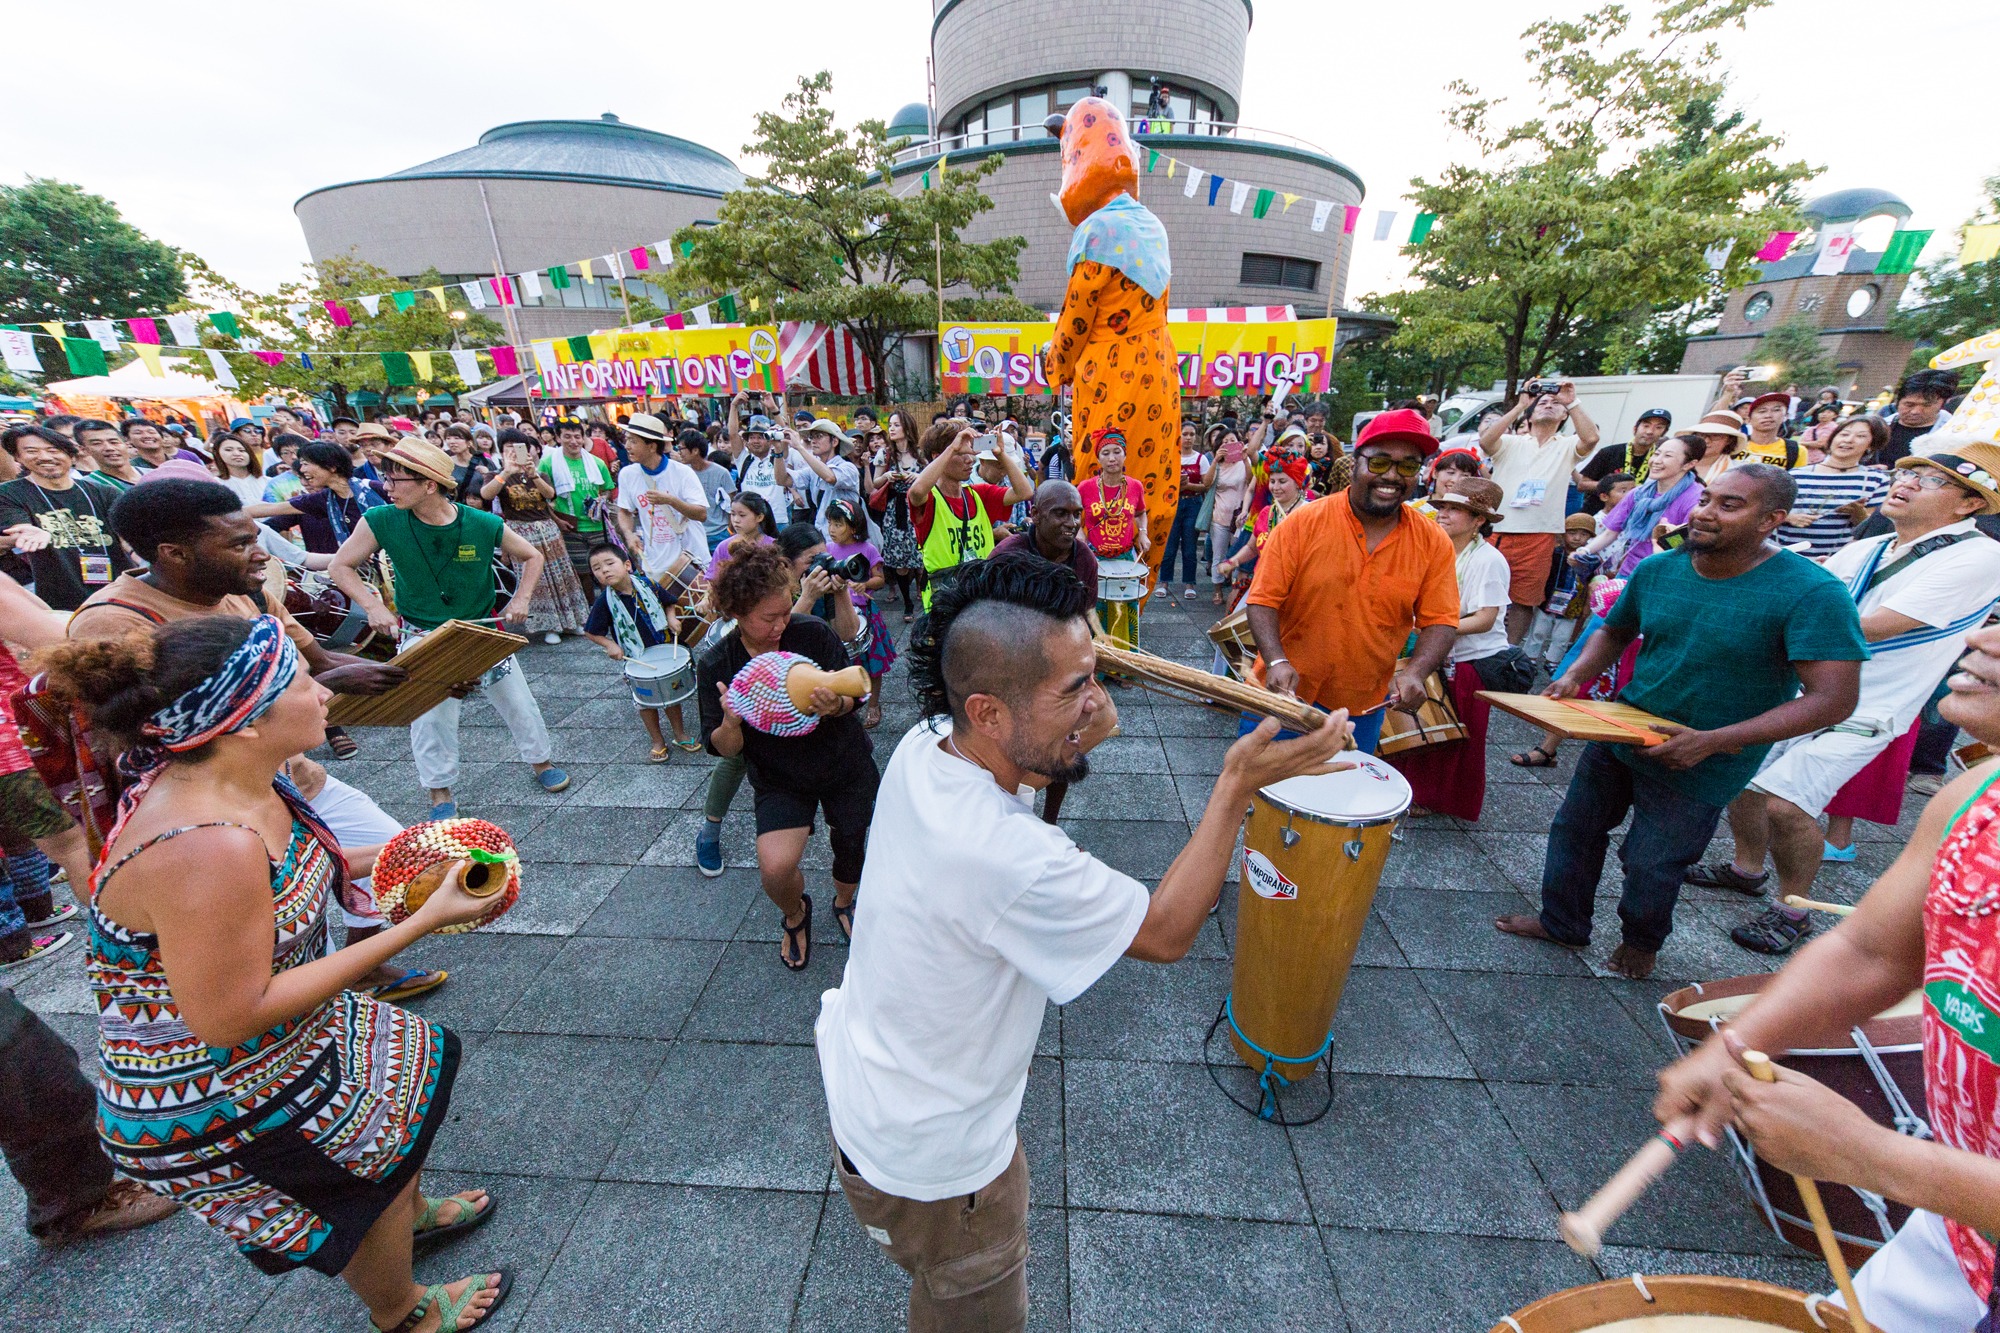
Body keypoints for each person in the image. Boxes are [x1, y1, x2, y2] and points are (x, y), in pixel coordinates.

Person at [817, 554, 1351, 1332]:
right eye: (1074, 687)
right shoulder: (1004, 856)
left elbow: (1049, 757)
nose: (1096, 700)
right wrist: (1236, 786)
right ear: (990, 711)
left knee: (936, 1285)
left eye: (1095, 672)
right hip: (942, 1169)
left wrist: (1076, 690)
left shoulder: (930, 744)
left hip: (873, 1100)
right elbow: (1167, 932)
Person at [41, 616, 510, 1332]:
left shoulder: (247, 778)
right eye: (296, 680)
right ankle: (401, 1308)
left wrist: (419, 852)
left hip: (285, 1034)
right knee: (358, 1179)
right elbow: (230, 1015)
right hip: (207, 1085)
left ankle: (406, 1215)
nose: (321, 690)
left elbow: (301, 866)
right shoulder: (207, 844)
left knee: (409, 1072)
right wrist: (420, 920)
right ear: (242, 724)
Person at [1650, 621, 2000, 1330]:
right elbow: (1871, 951)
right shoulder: (1976, 797)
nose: (1988, 632)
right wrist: (1736, 1044)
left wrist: (1876, 1157)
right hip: (1957, 1232)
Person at [75, 477, 444, 1002]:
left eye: (255, 537)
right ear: (173, 553)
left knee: (398, 861)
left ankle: (353, 968)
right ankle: (306, 986)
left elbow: (316, 664)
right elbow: (147, 740)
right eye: (239, 543)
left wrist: (430, 671)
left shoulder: (245, 592)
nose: (259, 553)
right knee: (259, 936)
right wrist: (321, 688)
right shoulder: (115, 624)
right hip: (221, 798)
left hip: (288, 780)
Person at [1495, 465, 1869, 978]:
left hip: (1709, 754)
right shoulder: (1659, 569)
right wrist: (1576, 675)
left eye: (1728, 505)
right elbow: (1615, 629)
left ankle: (1642, 942)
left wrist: (1715, 741)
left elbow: (1833, 700)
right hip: (1622, 728)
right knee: (1575, 830)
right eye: (1705, 499)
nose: (1703, 512)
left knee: (1651, 861)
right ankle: (1562, 922)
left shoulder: (1812, 592)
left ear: (1772, 520)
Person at [1696, 441, 2000, 954]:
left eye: (1928, 480)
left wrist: (1750, 616)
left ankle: (1794, 908)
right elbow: (1800, 590)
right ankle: (1746, 870)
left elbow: (1874, 626)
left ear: (1970, 503)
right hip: (1808, 691)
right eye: (1906, 473)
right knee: (1742, 782)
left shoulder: (1982, 556)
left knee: (1786, 805)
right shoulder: (1870, 547)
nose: (1904, 483)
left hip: (1874, 706)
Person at [331, 437, 568, 818]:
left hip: (482, 632)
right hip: (421, 632)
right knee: (429, 715)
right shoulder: (380, 519)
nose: (386, 487)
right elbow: (340, 566)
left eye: (395, 480)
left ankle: (542, 762)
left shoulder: (482, 522)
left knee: (518, 701)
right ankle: (440, 792)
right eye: (386, 479)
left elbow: (532, 555)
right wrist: (373, 605)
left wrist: (521, 599)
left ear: (429, 483)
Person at [696, 545, 878, 966]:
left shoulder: (810, 632)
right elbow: (724, 749)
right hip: (780, 776)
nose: (782, 624)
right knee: (775, 869)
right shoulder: (717, 664)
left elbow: (856, 694)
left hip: (842, 761)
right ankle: (796, 913)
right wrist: (731, 722)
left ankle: (845, 900)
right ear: (737, 614)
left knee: (852, 839)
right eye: (768, 618)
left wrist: (838, 706)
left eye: (784, 612)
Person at [1243, 409, 1459, 753]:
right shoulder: (1303, 524)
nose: (1391, 475)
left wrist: (1417, 671)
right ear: (1356, 461)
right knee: (1258, 794)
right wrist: (1276, 660)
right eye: (1379, 462)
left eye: (1407, 466)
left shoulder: (1433, 541)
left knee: (1340, 798)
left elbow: (1442, 620)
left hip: (1362, 705)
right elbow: (1262, 600)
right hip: (1281, 695)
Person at [1386, 479, 1517, 822]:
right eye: (1442, 507)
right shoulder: (1434, 548)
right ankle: (1405, 786)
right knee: (1415, 723)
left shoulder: (1490, 560)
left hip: (1471, 658)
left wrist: (1434, 631)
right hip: (1433, 648)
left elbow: (1487, 619)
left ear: (1478, 520)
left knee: (1453, 734)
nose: (1443, 514)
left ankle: (1436, 797)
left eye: (1455, 509)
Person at [1478, 382, 1601, 641]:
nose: (1548, 404)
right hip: (1498, 530)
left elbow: (1590, 439)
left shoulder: (1567, 446)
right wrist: (1522, 404)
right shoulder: (1511, 442)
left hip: (1539, 536)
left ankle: (1507, 654)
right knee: (1482, 593)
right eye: (1542, 402)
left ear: (1564, 415)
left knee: (1523, 601)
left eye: (1555, 403)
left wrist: (1572, 400)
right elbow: (1487, 440)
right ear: (1531, 416)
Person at [581, 544, 702, 762]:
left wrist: (672, 617)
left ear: (627, 565)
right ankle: (657, 740)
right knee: (644, 701)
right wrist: (609, 645)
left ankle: (679, 734)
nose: (604, 570)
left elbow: (669, 602)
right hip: (637, 659)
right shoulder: (604, 602)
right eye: (597, 568)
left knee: (671, 696)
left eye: (610, 563)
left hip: (663, 651)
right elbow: (590, 632)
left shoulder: (648, 584)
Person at [474, 428, 590, 645]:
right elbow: (486, 495)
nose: (512, 452)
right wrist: (507, 472)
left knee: (562, 576)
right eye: (508, 447)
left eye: (518, 448)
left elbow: (549, 495)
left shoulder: (538, 473)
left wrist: (533, 474)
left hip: (547, 531)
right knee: (535, 581)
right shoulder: (496, 475)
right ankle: (548, 626)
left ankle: (572, 621)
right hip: (520, 533)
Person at [0, 424, 131, 611]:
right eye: (31, 451)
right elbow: (19, 528)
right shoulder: (9, 493)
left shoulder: (105, 492)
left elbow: (127, 538)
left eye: (53, 450)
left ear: (71, 455)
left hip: (118, 593)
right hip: (61, 602)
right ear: (18, 457)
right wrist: (28, 534)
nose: (45, 457)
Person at [908, 419, 1032, 611]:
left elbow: (1024, 492)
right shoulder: (930, 498)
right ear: (938, 457)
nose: (970, 459)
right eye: (961, 453)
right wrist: (951, 448)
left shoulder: (978, 494)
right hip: (944, 600)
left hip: (982, 593)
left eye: (971, 452)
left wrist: (1000, 454)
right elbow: (916, 492)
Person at [1568, 433, 1705, 579]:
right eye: (1657, 453)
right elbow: (1611, 532)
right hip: (1629, 570)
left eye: (1668, 456)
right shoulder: (1639, 493)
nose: (1657, 461)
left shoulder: (1696, 498)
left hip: (1661, 575)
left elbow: (1688, 541)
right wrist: (1584, 551)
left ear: (1689, 464)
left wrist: (1662, 540)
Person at [611, 413, 710, 592]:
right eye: (627, 440)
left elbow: (701, 514)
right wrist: (628, 533)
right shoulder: (627, 474)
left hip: (690, 561)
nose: (627, 446)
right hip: (655, 563)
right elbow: (624, 511)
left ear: (651, 446)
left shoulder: (682, 473)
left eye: (633, 441)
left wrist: (670, 500)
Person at [1772, 415, 1891, 559]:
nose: (1848, 440)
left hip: (1834, 562)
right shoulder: (1796, 474)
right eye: (1844, 434)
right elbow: (1766, 512)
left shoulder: (1876, 480)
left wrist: (1858, 514)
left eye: (1860, 436)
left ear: (1871, 445)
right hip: (1783, 555)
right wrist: (1789, 517)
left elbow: (1871, 531)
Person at [823, 500, 897, 729]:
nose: (832, 529)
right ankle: (849, 704)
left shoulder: (867, 549)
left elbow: (880, 579)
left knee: (871, 662)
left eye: (838, 524)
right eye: (830, 524)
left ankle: (873, 704)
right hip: (837, 613)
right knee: (844, 662)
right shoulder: (827, 549)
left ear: (854, 527)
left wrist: (864, 585)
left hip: (864, 612)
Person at [245, 440, 385, 555]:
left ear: (331, 466)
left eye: (306, 464)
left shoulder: (375, 489)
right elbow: (272, 508)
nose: (302, 470)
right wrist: (228, 513)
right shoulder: (323, 500)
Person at [1213, 458, 1312, 601]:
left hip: (1297, 589)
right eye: (1272, 481)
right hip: (1265, 583)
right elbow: (1252, 548)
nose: (1275, 487)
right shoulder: (1267, 513)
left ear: (1298, 483)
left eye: (1282, 481)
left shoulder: (1310, 514)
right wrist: (1233, 562)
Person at [540, 417, 615, 593]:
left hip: (597, 525)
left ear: (583, 438)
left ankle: (611, 606)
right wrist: (557, 520)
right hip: (569, 527)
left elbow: (607, 489)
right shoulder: (548, 463)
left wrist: (601, 500)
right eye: (567, 437)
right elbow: (541, 498)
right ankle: (591, 611)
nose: (573, 441)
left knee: (606, 571)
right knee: (582, 574)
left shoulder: (597, 463)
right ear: (558, 438)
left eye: (577, 436)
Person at [866, 410, 926, 621]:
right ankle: (907, 602)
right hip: (896, 509)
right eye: (890, 425)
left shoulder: (921, 452)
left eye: (896, 425)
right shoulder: (885, 454)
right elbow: (875, 483)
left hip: (919, 506)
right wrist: (888, 476)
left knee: (923, 556)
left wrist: (917, 476)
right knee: (900, 562)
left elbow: (932, 477)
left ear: (907, 428)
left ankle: (924, 596)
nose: (891, 429)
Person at [1520, 512, 1600, 671]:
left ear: (1590, 537)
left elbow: (1592, 582)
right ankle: (1530, 658)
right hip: (1547, 600)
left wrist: (1586, 606)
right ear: (1563, 534)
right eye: (1572, 533)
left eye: (1583, 534)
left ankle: (1552, 661)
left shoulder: (1592, 559)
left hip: (1572, 606)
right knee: (1538, 632)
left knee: (1562, 637)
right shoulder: (1554, 553)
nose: (1577, 538)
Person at [1577, 407, 1669, 512]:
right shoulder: (1609, 452)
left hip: (1633, 517)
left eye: (1658, 427)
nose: (1649, 431)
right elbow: (1582, 484)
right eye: (1646, 425)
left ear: (1663, 433)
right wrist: (1614, 487)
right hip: (1596, 513)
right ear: (1635, 429)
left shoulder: (1660, 460)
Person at [1159, 420, 1212, 600]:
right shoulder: (1171, 457)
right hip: (1173, 503)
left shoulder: (1201, 459)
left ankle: (1190, 583)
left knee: (1190, 547)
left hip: (1193, 503)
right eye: (1185, 434)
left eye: (1191, 434)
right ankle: (1164, 582)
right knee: (1169, 545)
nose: (1188, 438)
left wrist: (1188, 485)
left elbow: (1206, 485)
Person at [1205, 424, 1253, 605]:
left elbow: (1250, 480)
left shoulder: (1243, 463)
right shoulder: (1217, 464)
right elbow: (1207, 483)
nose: (1229, 444)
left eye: (1233, 441)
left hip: (1241, 516)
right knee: (1218, 554)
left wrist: (1245, 459)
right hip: (1220, 515)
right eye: (1225, 442)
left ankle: (1236, 589)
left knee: (1238, 554)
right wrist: (1216, 460)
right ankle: (1217, 589)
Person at [1875, 368, 1957, 465]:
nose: (1915, 412)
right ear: (1897, 401)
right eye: (1909, 405)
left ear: (1943, 404)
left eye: (1926, 405)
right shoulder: (1878, 427)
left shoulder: (1953, 436)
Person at [674, 427, 736, 556]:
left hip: (719, 534)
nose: (679, 453)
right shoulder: (681, 473)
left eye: (681, 449)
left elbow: (732, 502)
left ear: (695, 450)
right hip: (694, 534)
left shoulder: (721, 472)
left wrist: (730, 530)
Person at [703, 492, 780, 580]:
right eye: (733, 514)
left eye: (742, 515)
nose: (736, 520)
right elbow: (712, 579)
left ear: (759, 517)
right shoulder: (724, 546)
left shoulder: (771, 546)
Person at [72, 419, 145, 492]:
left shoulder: (152, 474)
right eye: (97, 443)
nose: (109, 448)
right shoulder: (87, 487)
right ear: (84, 450)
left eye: (113, 442)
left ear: (126, 444)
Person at [210, 432, 267, 505]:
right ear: (217, 453)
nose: (237, 454)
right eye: (228, 450)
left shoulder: (268, 481)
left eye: (242, 450)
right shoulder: (216, 485)